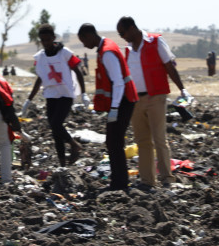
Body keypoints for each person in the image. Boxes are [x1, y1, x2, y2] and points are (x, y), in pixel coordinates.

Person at [117, 16, 189, 191]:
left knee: (159, 138)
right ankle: (148, 180)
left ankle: (167, 179)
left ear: (132, 28)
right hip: (136, 99)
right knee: (143, 141)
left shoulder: (155, 42)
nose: (122, 37)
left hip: (156, 96)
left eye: (123, 33)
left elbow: (169, 66)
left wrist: (182, 89)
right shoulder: (127, 50)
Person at [78, 23, 138, 191]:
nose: (84, 45)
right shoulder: (105, 48)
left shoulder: (107, 52)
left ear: (89, 36)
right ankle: (119, 182)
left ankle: (119, 184)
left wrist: (114, 109)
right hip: (123, 101)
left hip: (123, 100)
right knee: (114, 142)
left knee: (114, 142)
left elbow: (118, 83)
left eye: (83, 40)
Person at [23, 24, 86, 166]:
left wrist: (84, 93)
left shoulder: (65, 53)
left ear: (53, 38)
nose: (46, 43)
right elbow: (40, 78)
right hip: (51, 95)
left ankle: (74, 145)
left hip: (66, 94)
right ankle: (62, 163)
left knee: (56, 124)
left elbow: (77, 71)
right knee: (55, 129)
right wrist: (29, 99)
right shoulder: (40, 57)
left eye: (48, 39)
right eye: (43, 40)